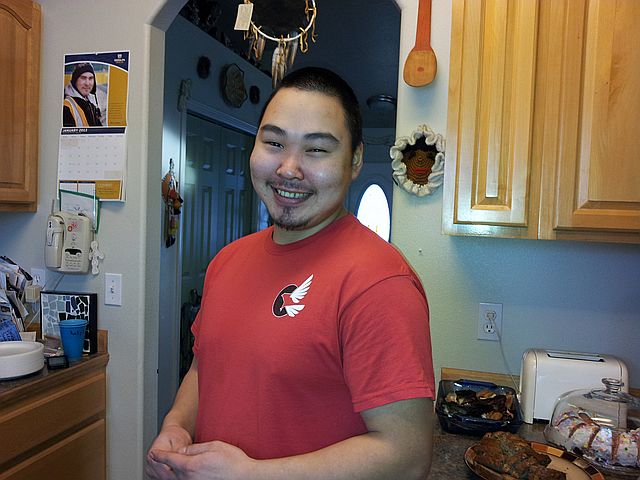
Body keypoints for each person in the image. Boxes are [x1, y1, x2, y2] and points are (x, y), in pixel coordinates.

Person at [146, 66, 435, 480]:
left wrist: (251, 475)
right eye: (274, 143)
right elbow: (203, 369)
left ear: (354, 161)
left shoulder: (379, 283)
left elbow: (406, 455)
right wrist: (177, 426)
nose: (288, 168)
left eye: (316, 149)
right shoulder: (226, 262)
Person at [62, 62, 102, 127]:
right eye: (83, 78)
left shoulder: (90, 102)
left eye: (90, 78)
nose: (87, 83)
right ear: (75, 81)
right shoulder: (66, 107)